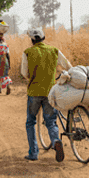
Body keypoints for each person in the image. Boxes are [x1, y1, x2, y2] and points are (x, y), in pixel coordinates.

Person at [21, 28, 72, 161]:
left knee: (30, 122)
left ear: (32, 40)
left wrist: (31, 78)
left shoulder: (27, 52)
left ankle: (33, 153)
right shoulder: (54, 50)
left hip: (34, 92)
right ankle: (55, 141)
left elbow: (24, 73)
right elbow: (67, 65)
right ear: (43, 38)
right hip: (50, 92)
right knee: (51, 122)